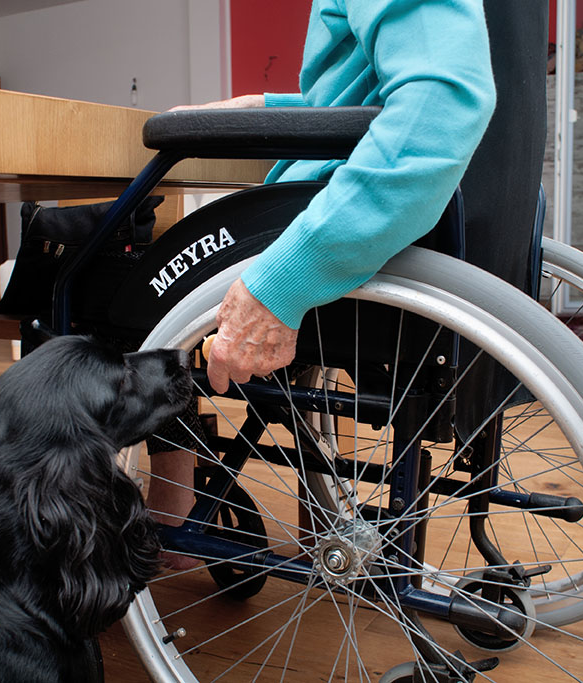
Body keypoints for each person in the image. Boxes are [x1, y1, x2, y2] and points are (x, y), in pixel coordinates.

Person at [147, 0, 497, 567]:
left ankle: (169, 504)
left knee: (96, 284)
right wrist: (272, 108)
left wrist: (283, 282)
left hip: (332, 221)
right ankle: (304, 503)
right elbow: (369, 96)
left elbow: (441, 103)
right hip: (406, 222)